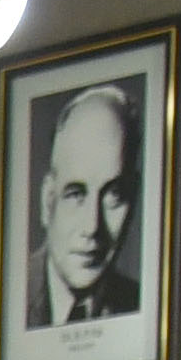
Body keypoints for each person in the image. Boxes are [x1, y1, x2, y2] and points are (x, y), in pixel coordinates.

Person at [27, 82, 140, 328]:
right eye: (76, 194)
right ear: (48, 201)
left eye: (114, 195)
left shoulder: (139, 305)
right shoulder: (8, 295)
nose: (92, 226)